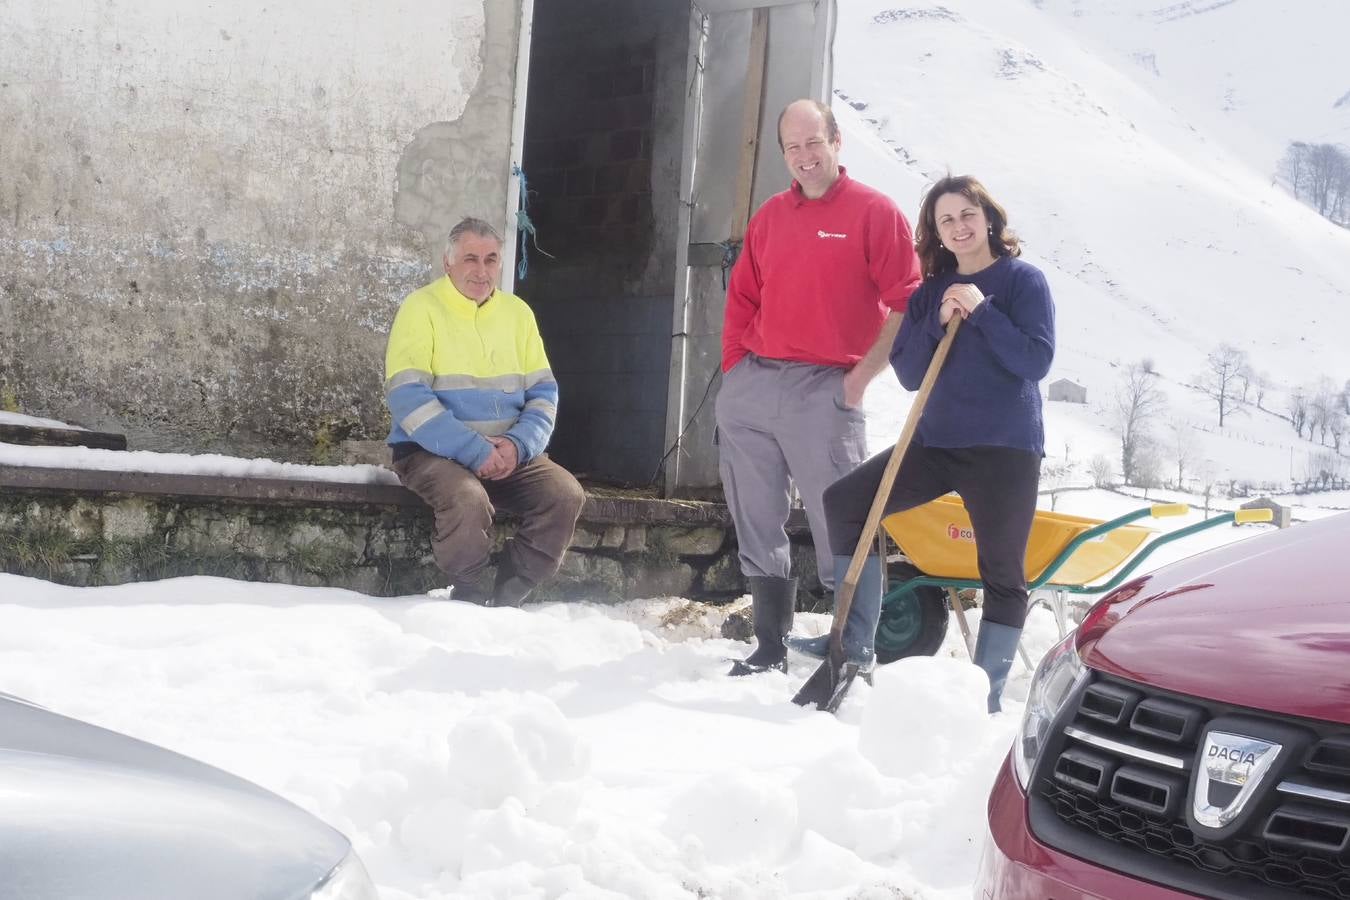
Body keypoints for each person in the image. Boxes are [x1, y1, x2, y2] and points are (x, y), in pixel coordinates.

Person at [789, 174, 1056, 712]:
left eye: (967, 215)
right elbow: (910, 374)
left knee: (1002, 571)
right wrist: (935, 322)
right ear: (935, 231)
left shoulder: (1024, 282)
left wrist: (983, 312)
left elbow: (1035, 361)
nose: (959, 227)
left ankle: (985, 696)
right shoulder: (929, 292)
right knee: (845, 501)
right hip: (935, 443)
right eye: (946, 220)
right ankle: (855, 647)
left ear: (989, 218)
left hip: (1004, 448)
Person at [717, 99, 922, 675]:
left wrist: (857, 380)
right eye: (793, 148)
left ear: (836, 141)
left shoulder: (875, 212)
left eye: (814, 143)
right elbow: (742, 298)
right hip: (754, 384)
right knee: (755, 513)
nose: (804, 157)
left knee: (843, 521)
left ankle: (853, 650)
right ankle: (769, 644)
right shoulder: (770, 217)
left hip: (826, 389)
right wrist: (735, 369)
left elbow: (907, 303)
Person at [383, 217, 585, 607]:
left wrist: (517, 446)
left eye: (491, 259)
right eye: (470, 259)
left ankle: (513, 587)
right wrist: (476, 451)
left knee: (564, 494)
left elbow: (544, 393)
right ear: (448, 262)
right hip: (430, 453)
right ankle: (470, 592)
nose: (481, 271)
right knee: (467, 498)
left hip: (510, 454)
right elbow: (408, 398)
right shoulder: (420, 308)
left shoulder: (518, 313)